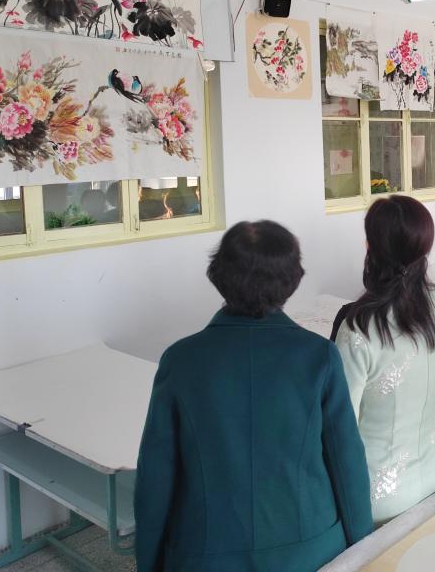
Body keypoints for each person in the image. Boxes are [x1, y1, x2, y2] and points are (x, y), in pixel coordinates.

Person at [135, 221, 373, 572]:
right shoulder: (318, 356)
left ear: (217, 275)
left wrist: (148, 561)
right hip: (310, 549)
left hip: (206, 553)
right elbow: (346, 461)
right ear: (294, 279)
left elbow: (156, 475)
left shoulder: (180, 360)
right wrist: (365, 549)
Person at [332, 196, 435, 525]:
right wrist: (425, 392)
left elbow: (342, 423)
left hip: (377, 494)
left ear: (370, 247)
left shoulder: (360, 327)